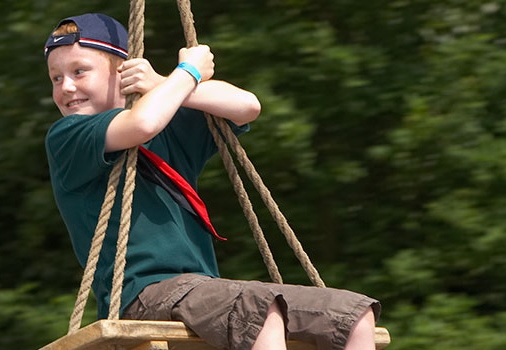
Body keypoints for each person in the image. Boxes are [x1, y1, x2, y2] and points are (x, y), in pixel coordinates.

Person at [43, 13, 380, 350]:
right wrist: (188, 72)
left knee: (353, 316)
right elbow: (142, 123)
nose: (66, 87)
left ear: (125, 71)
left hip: (199, 290)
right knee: (259, 313)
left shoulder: (169, 121)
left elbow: (246, 106)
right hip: (142, 294)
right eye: (56, 78)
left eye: (79, 71)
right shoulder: (70, 135)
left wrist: (163, 81)